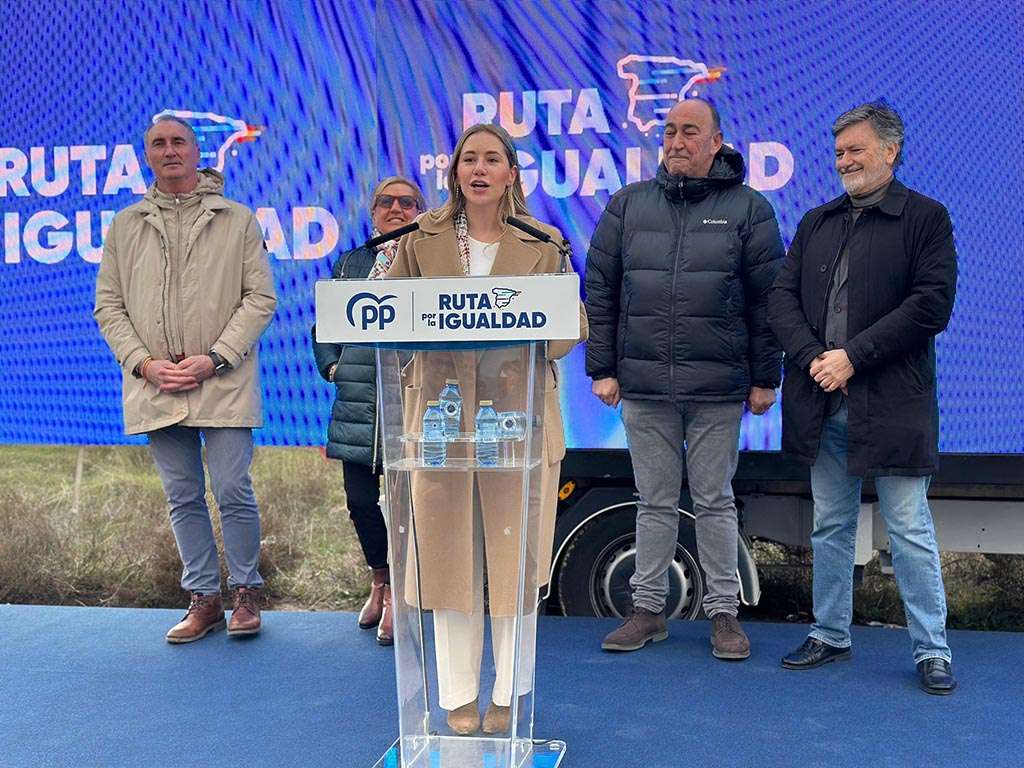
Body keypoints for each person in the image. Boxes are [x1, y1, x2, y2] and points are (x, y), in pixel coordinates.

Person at [384, 123, 587, 735]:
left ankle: (508, 692)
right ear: (453, 174)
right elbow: (388, 321)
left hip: (516, 420)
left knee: (512, 561)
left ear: (510, 174)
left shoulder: (544, 241)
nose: (478, 168)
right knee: (447, 562)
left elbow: (566, 328)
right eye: (467, 159)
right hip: (440, 421)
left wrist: (535, 329)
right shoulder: (420, 239)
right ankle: (457, 695)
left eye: (491, 159)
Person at [768, 102, 958, 694]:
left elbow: (931, 305)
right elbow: (780, 300)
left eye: (855, 150)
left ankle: (932, 650)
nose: (844, 161)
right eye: (839, 152)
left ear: (890, 152)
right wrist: (816, 361)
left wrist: (854, 356)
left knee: (909, 530)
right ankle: (829, 634)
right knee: (829, 525)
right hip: (823, 400)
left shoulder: (926, 218)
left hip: (894, 403)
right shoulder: (816, 221)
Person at [585, 98, 783, 660]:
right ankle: (648, 611)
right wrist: (602, 366)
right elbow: (600, 288)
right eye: (669, 131)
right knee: (653, 501)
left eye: (689, 131)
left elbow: (768, 300)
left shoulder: (749, 209)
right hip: (644, 386)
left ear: (716, 142)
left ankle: (724, 616)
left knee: (716, 501)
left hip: (719, 387)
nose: (675, 140)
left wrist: (765, 377)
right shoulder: (627, 205)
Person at [94, 115, 277, 643]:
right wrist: (144, 365)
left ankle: (245, 591)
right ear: (146, 156)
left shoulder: (237, 218)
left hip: (221, 377)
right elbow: (108, 306)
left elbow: (260, 299)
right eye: (159, 144)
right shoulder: (125, 224)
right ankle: (204, 598)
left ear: (198, 153)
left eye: (179, 142)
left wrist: (216, 358)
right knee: (182, 496)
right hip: (156, 383)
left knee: (231, 488)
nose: (170, 151)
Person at [311, 176, 426, 646]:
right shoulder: (353, 261)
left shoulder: (430, 259)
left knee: (408, 507)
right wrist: (333, 367)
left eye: (407, 202)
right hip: (357, 401)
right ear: (372, 212)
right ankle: (379, 581)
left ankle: (404, 593)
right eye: (386, 202)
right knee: (361, 504)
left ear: (421, 210)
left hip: (412, 401)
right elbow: (324, 323)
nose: (395, 209)